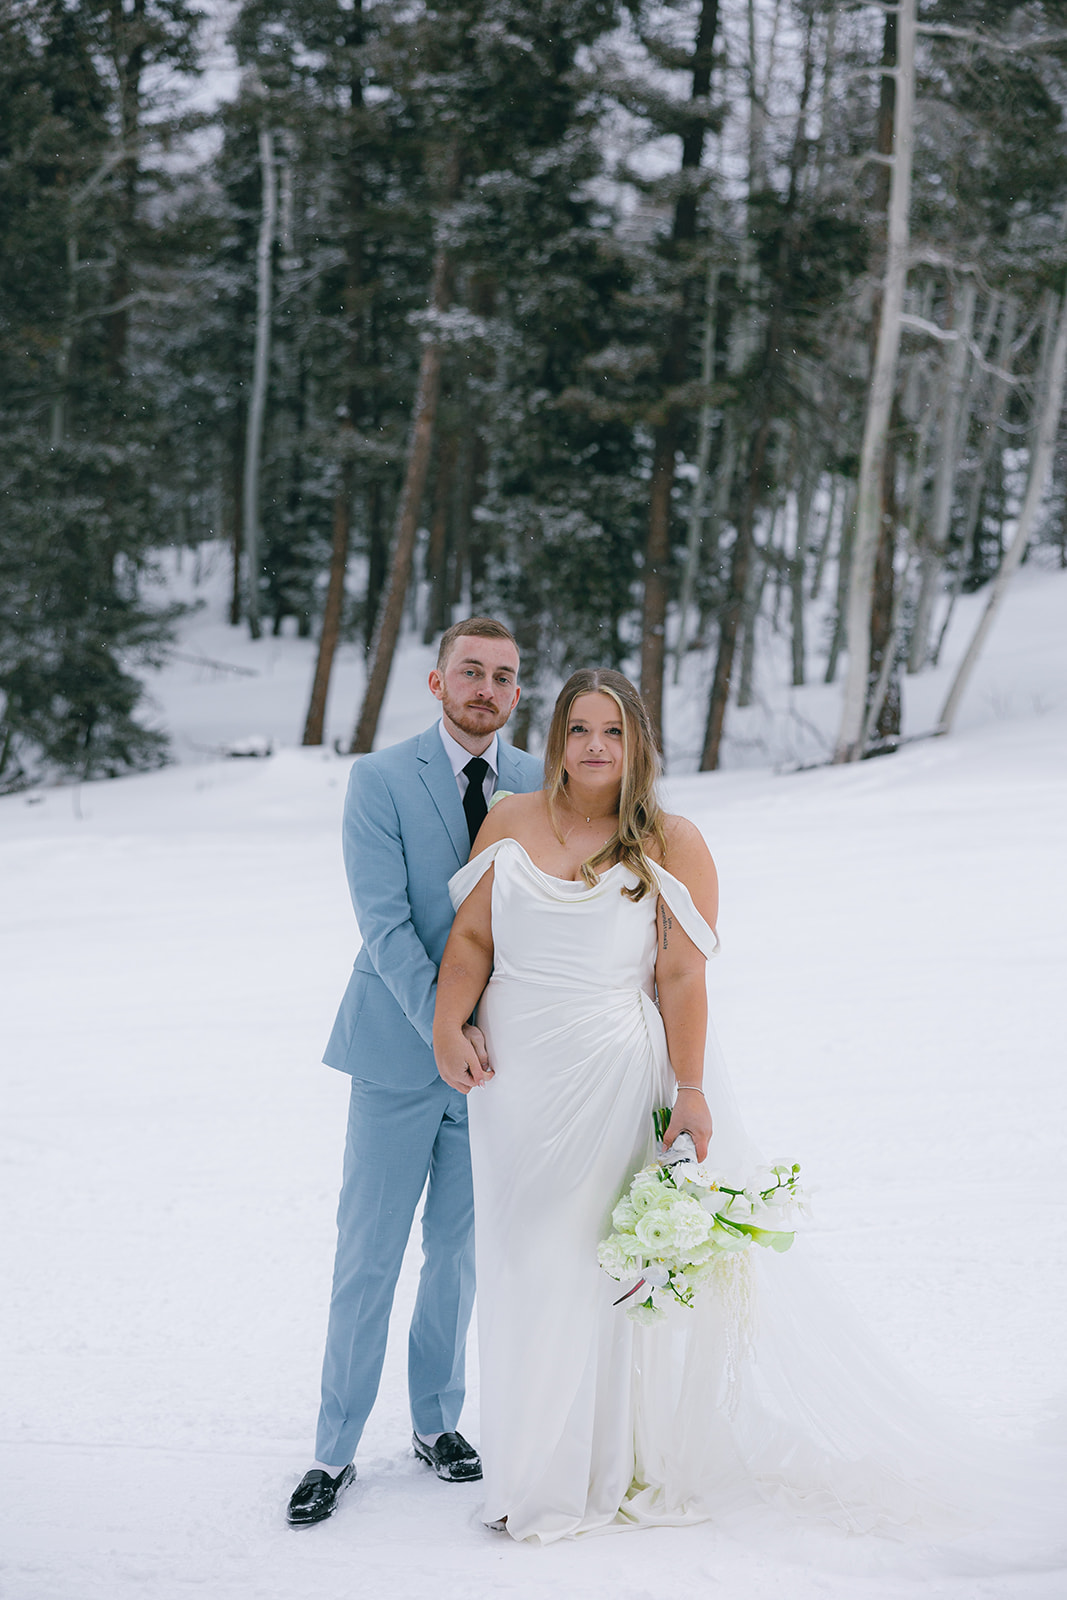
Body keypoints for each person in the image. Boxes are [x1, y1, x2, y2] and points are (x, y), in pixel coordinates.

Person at [431, 668, 1058, 1552]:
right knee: (516, 1265)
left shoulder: (672, 840)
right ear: (557, 737)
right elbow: (470, 938)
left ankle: (583, 1471)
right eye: (579, 729)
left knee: (580, 1264)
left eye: (613, 730)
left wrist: (689, 1091)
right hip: (512, 1085)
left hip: (609, 1079)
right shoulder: (509, 821)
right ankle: (528, 1466)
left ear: (639, 741)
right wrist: (444, 1023)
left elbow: (681, 975)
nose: (595, 747)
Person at [286, 618, 543, 1527]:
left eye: (502, 677)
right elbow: (384, 923)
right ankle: (333, 1447)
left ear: (517, 694)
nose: (485, 688)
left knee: (459, 1256)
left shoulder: (537, 785)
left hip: (497, 1066)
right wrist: (441, 1024)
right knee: (369, 1255)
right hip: (399, 1052)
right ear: (437, 683)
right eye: (468, 671)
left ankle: (438, 1423)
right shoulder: (381, 780)